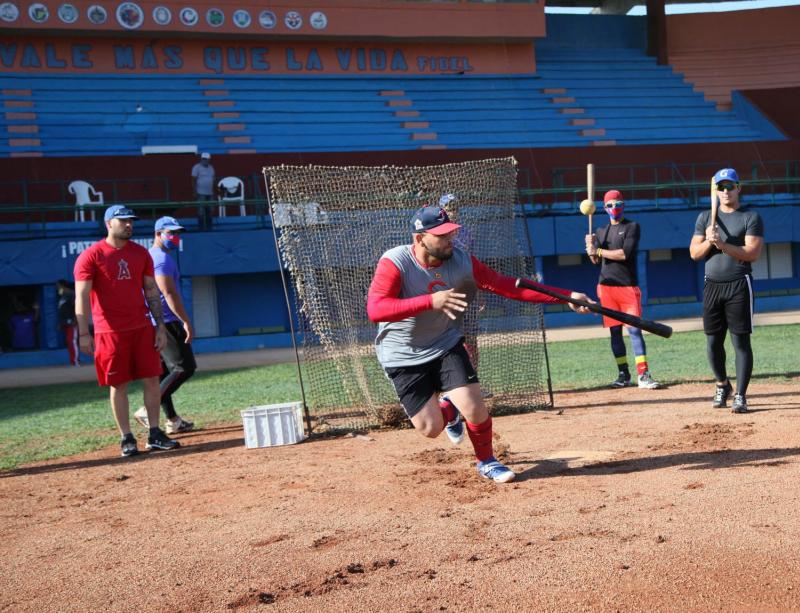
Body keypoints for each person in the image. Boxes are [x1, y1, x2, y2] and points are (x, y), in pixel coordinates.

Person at [367, 205, 594, 483]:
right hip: (401, 354)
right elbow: (376, 309)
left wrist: (566, 296)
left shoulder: (461, 261)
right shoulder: (396, 262)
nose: (450, 240)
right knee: (430, 428)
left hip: (444, 343)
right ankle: (449, 410)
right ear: (419, 238)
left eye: (451, 232)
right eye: (441, 235)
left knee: (475, 407)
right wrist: (431, 301)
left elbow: (508, 286)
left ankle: (486, 460)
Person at [74, 205, 181, 457]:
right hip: (109, 332)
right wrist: (83, 333)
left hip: (142, 327)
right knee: (118, 384)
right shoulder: (91, 256)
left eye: (131, 221)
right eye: (123, 221)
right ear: (109, 223)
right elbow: (81, 296)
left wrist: (160, 327)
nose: (129, 225)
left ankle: (154, 433)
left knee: (152, 379)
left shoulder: (140, 254)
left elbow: (151, 291)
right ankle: (126, 438)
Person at [690, 168, 764, 413]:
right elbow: (694, 254)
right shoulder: (705, 218)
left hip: (739, 284)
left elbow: (751, 253)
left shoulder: (750, 217)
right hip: (711, 285)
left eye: (729, 186)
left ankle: (741, 395)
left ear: (738, 188)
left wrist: (722, 244)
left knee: (740, 342)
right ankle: (723, 384)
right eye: (720, 187)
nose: (724, 191)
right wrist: (708, 241)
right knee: (712, 342)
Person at [585, 189, 661, 390]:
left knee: (634, 330)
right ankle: (623, 374)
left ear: (623, 205)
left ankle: (643, 375)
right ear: (605, 208)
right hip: (606, 287)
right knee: (615, 332)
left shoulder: (632, 227)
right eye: (610, 205)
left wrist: (598, 250)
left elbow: (624, 254)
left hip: (627, 287)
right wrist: (590, 248)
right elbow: (595, 260)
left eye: (617, 204)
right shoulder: (601, 232)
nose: (614, 208)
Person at [133, 216, 196, 435]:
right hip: (167, 322)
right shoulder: (161, 259)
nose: (175, 237)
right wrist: (186, 321)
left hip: (152, 322)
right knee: (184, 367)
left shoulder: (151, 256)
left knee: (161, 373)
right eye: (171, 233)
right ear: (158, 234)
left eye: (177, 233)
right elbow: (168, 293)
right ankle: (146, 409)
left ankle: (173, 420)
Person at [56, 279, 80, 366]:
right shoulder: (62, 296)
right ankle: (73, 361)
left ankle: (75, 361)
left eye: (58, 286)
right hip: (64, 322)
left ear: (62, 286)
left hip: (71, 321)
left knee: (72, 341)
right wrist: (60, 323)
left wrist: (75, 319)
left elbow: (77, 306)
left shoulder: (71, 293)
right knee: (69, 341)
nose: (57, 287)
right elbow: (62, 310)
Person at [191, 152, 215, 230]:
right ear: (201, 159)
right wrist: (194, 191)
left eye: (206, 159)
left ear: (209, 159)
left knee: (210, 210)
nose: (205, 160)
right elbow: (193, 180)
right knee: (201, 211)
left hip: (210, 192)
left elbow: (213, 178)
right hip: (200, 192)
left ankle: (209, 227)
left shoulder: (211, 168)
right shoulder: (196, 167)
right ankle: (201, 227)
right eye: (203, 159)